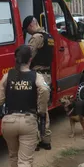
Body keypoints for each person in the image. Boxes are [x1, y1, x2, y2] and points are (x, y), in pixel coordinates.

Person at [0, 45, 50, 167]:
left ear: (15, 59)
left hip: (8, 122)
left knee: (13, 155)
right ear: (30, 60)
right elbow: (45, 90)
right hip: (28, 121)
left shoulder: (7, 76)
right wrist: (41, 109)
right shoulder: (36, 76)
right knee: (25, 159)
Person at [22, 15, 53, 151]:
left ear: (30, 26)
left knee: (34, 110)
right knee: (43, 109)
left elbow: (27, 56)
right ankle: (46, 140)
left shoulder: (36, 38)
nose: (27, 33)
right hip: (47, 77)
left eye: (26, 30)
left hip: (38, 77)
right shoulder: (49, 37)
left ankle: (34, 141)